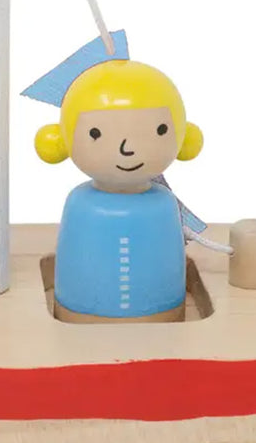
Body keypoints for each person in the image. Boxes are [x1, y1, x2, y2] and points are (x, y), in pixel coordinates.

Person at [35, 59, 203, 323]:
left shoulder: (162, 204)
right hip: (77, 329)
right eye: (96, 133)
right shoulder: (82, 204)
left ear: (184, 137)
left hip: (166, 329)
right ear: (60, 140)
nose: (128, 148)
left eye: (160, 130)